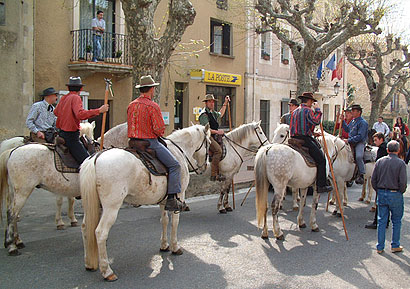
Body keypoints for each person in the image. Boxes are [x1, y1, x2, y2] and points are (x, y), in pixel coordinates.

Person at [127, 75, 183, 212]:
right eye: (153, 88)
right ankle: (171, 199)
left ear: (141, 89)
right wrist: (159, 133)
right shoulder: (152, 106)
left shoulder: (131, 105)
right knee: (175, 166)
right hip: (150, 143)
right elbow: (159, 129)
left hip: (133, 143)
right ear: (151, 89)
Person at [54, 77, 109, 164]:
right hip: (71, 136)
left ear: (68, 88)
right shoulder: (76, 98)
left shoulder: (64, 98)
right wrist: (99, 110)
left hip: (61, 133)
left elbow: (56, 112)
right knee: (87, 163)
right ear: (81, 89)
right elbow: (80, 114)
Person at [289, 92, 332, 193]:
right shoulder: (308, 110)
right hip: (304, 139)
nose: (312, 103)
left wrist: (312, 133)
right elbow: (316, 121)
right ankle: (321, 185)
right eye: (312, 101)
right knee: (321, 159)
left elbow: (298, 127)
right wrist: (318, 110)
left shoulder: (295, 111)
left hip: (294, 137)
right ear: (309, 101)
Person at [371, 140, 407, 254]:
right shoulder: (401, 163)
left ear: (387, 150)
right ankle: (395, 244)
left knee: (381, 220)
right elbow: (403, 182)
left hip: (382, 192)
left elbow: (373, 179)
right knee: (396, 221)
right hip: (395, 193)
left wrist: (379, 190)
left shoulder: (380, 161)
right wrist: (401, 191)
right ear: (398, 150)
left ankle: (380, 246)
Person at [199, 94, 230, 182]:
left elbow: (220, 114)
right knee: (218, 150)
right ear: (206, 103)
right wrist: (217, 132)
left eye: (213, 102)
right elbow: (207, 129)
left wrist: (225, 103)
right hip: (207, 136)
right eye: (210, 101)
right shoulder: (204, 115)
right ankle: (214, 175)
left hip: (214, 135)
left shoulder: (212, 113)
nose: (212, 103)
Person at [365, 132, 389, 229]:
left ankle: (377, 222)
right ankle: (386, 220)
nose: (374, 142)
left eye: (376, 140)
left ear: (381, 139)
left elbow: (379, 163)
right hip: (386, 177)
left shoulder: (382, 149)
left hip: (382, 177)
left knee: (380, 201)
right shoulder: (384, 147)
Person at [342, 104, 368, 185]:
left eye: (353, 111)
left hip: (358, 143)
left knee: (359, 156)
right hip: (350, 141)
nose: (351, 112)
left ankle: (361, 174)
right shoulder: (353, 121)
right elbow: (347, 129)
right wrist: (342, 121)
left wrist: (349, 140)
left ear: (359, 112)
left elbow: (360, 136)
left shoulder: (363, 123)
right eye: (351, 110)